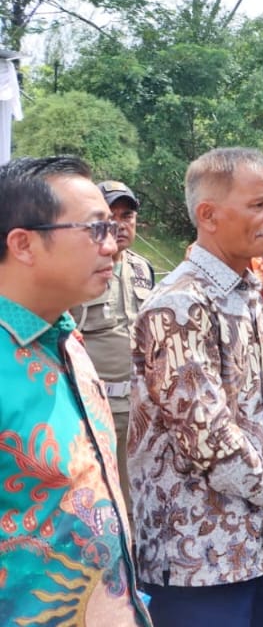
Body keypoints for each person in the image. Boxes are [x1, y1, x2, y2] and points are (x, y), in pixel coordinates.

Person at [130, 147, 263, 627]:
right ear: (208, 215)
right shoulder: (179, 304)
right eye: (258, 205)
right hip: (195, 559)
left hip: (253, 544)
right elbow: (207, 436)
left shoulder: (247, 292)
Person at [0, 156, 151, 626]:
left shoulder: (67, 340)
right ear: (24, 244)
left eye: (114, 227)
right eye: (94, 230)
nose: (112, 245)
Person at [70, 180, 155, 514]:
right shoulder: (78, 270)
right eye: (111, 216)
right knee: (103, 499)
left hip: (143, 408)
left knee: (142, 495)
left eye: (127, 215)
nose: (120, 224)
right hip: (97, 408)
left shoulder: (142, 268)